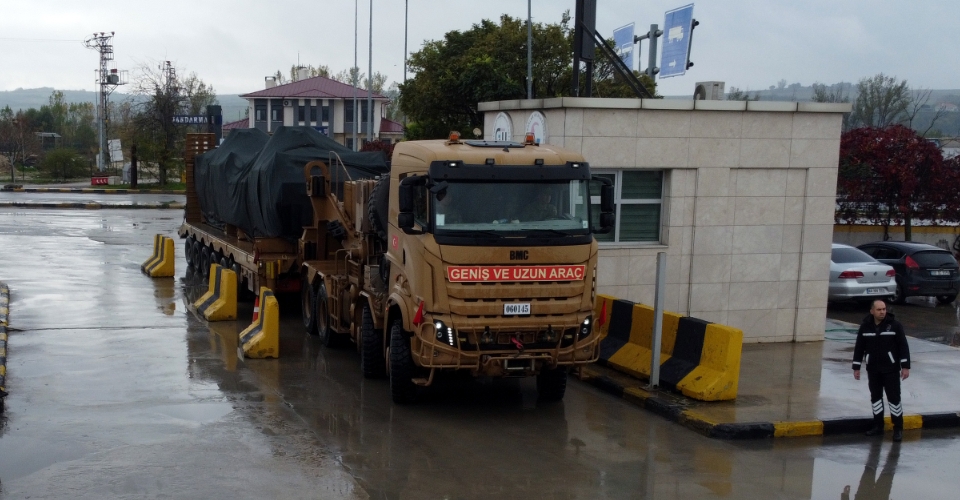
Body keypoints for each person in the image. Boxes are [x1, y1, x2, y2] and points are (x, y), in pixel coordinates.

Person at [852, 300, 911, 442]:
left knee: (894, 399)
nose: (882, 312)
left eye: (884, 309)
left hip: (890, 370)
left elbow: (903, 346)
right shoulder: (865, 327)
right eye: (879, 309)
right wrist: (856, 367)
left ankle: (898, 429)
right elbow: (859, 347)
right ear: (872, 311)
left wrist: (905, 366)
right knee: (876, 399)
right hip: (873, 369)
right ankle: (878, 426)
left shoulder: (895, 326)